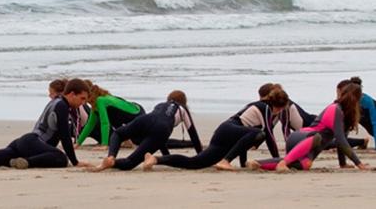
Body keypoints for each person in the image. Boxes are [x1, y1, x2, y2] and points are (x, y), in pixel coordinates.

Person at [143, 85, 289, 171]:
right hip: (229, 130)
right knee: (260, 134)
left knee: (195, 163)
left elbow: (244, 137)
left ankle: (156, 159)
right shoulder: (265, 108)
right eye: (282, 110)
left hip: (226, 133)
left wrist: (243, 164)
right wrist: (277, 159)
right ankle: (225, 161)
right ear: (279, 106)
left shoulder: (261, 107)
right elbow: (268, 135)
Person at [247, 83, 368, 172]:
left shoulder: (345, 114)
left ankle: (257, 163)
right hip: (302, 138)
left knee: (305, 165)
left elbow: (342, 140)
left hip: (310, 147)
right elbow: (340, 140)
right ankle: (283, 162)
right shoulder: (335, 109)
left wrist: (343, 164)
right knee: (317, 137)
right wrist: (359, 164)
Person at [91, 90, 202, 171]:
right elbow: (194, 137)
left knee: (118, 133)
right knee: (130, 162)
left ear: (168, 99)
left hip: (145, 119)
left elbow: (160, 138)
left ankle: (111, 157)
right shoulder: (183, 109)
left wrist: (165, 154)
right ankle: (151, 159)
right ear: (184, 102)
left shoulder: (160, 104)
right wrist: (201, 157)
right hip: (162, 128)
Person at [76, 82, 145, 148]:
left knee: (140, 141)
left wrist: (104, 144)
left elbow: (105, 123)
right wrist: (78, 143)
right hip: (126, 117)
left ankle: (127, 139)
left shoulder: (100, 100)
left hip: (137, 115)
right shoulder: (96, 103)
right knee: (112, 116)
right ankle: (126, 140)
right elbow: (90, 124)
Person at [350, 76, 376, 149]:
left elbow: (375, 122)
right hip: (365, 119)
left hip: (372, 118)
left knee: (372, 129)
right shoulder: (348, 99)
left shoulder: (367, 101)